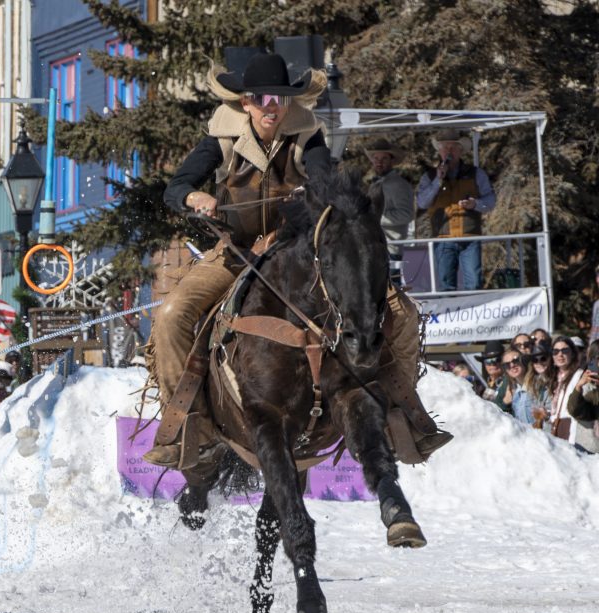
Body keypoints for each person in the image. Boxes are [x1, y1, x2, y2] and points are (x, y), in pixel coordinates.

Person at [145, 51, 449, 469]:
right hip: (235, 255)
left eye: (281, 100)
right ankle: (185, 424)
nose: (273, 109)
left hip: (298, 256)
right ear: (244, 102)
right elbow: (175, 188)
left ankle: (404, 416)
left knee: (403, 312)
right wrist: (194, 196)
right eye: (263, 100)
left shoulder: (309, 135)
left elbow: (326, 183)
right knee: (171, 315)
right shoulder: (221, 135)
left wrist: (315, 195)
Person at [416, 130, 496, 291]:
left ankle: (474, 315)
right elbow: (422, 203)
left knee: (473, 285)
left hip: (470, 238)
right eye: (445, 148)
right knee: (446, 287)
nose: (449, 151)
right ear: (439, 151)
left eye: (453, 147)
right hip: (443, 239)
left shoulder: (476, 174)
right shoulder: (429, 176)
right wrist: (438, 181)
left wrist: (475, 204)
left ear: (460, 151)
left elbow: (491, 201)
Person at [364, 138, 415, 286]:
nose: (379, 162)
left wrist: (375, 218)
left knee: (391, 288)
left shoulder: (398, 184)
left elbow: (407, 214)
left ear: (392, 160)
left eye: (384, 158)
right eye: (376, 158)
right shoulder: (376, 183)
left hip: (390, 245)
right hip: (375, 245)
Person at [548, 336, 584, 444]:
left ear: (572, 353)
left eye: (565, 350)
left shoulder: (580, 375)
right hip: (557, 427)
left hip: (573, 428)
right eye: (555, 351)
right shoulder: (554, 377)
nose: (560, 354)